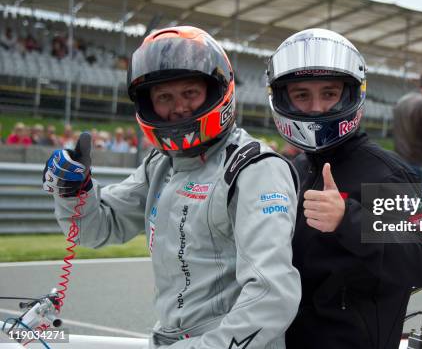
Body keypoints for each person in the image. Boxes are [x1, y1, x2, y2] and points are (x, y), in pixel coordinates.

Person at [43, 26, 301, 348]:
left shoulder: (253, 168)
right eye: (164, 97)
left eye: (190, 93)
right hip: (171, 339)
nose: (178, 108)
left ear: (216, 89)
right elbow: (97, 229)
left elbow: (271, 296)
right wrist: (74, 191)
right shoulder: (161, 163)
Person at [267, 28, 422, 349]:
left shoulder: (385, 174)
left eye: (329, 93)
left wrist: (348, 218)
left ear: (350, 94)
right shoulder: (293, 170)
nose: (316, 108)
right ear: (283, 97)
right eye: (302, 95)